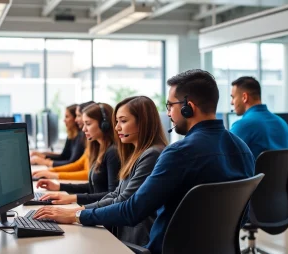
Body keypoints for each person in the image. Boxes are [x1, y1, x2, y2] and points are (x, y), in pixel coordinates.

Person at [33, 69, 255, 254]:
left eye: (170, 106)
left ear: (188, 106)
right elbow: (242, 214)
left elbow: (133, 210)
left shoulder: (179, 153)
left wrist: (76, 215)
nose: (168, 113)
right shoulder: (243, 149)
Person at [37, 96, 168, 246]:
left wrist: (76, 214)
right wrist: (79, 210)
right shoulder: (135, 153)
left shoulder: (152, 155)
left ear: (143, 123)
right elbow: (115, 194)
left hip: (135, 238)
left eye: (123, 121)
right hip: (123, 232)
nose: (117, 127)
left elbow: (122, 200)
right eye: (116, 121)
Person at [37, 103, 120, 205]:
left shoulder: (113, 152)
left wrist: (73, 198)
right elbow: (94, 186)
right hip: (95, 209)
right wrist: (59, 186)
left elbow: (112, 195)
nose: (83, 129)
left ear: (104, 125)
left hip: (101, 214)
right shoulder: (98, 149)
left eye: (88, 124)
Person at [230, 76, 288, 159]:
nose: (231, 102)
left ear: (244, 97)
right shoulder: (283, 124)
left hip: (254, 172)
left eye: (233, 97)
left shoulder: (242, 125)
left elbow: (225, 159)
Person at [32, 101, 94, 180]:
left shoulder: (83, 138)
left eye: (78, 116)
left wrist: (51, 171)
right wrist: (49, 171)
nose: (76, 120)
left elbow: (82, 169)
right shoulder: (88, 143)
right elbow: (76, 164)